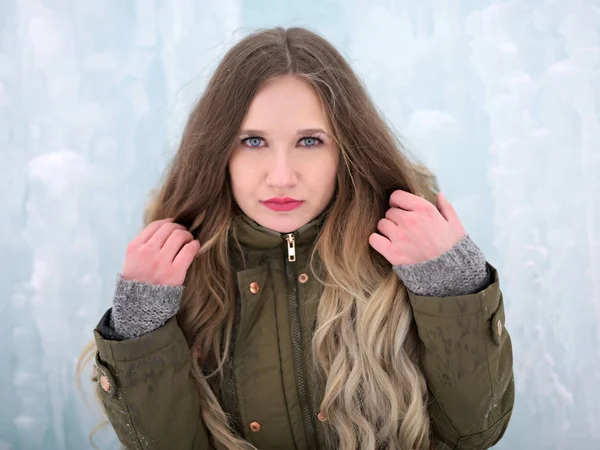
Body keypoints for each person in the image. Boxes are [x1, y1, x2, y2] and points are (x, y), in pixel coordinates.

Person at [78, 26, 514, 450]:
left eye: (309, 140)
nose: (282, 177)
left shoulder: (407, 252)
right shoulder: (180, 271)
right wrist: (140, 321)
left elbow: (473, 431)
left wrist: (451, 283)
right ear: (218, 150)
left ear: (346, 145)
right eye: (253, 141)